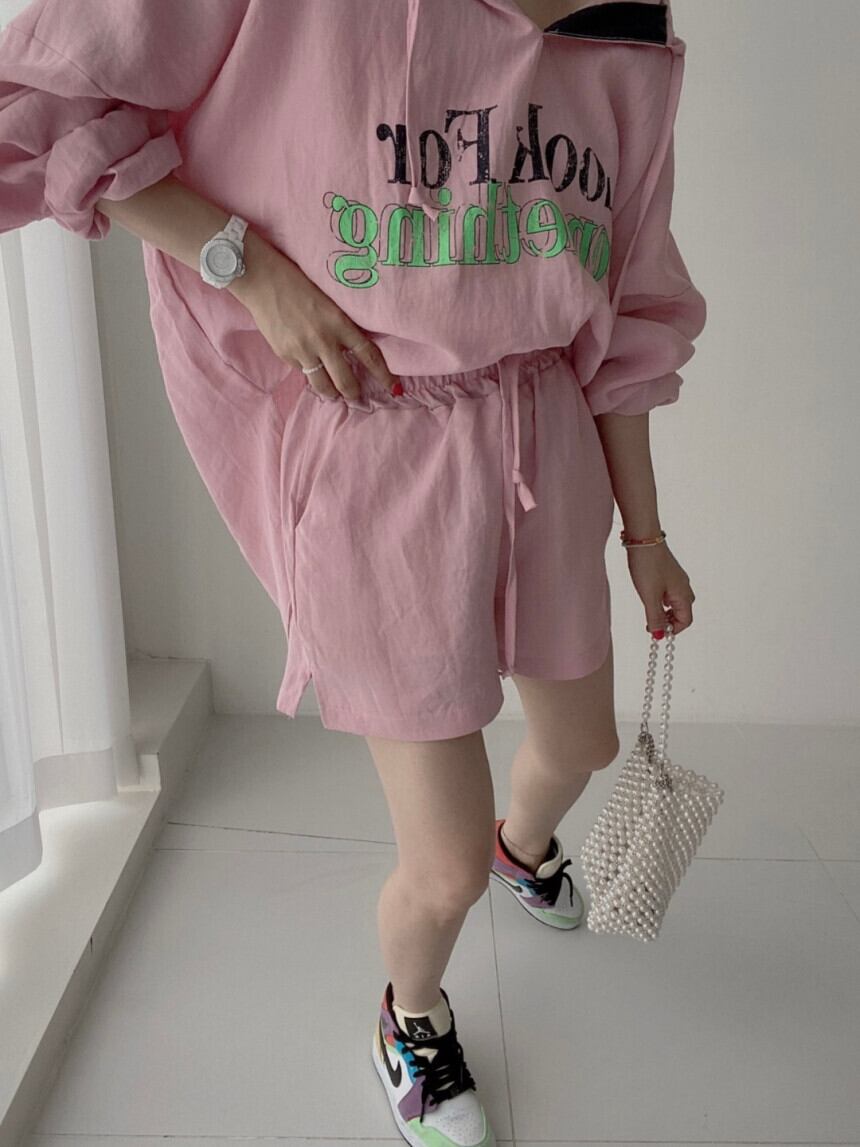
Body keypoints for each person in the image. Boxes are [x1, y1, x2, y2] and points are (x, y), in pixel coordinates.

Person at [0, 0, 704, 1143]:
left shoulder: (629, 33)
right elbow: (53, 108)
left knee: (581, 743)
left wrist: (645, 533)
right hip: (381, 462)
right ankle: (410, 1017)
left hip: (550, 438)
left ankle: (523, 847)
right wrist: (248, 270)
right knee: (440, 870)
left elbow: (630, 312)